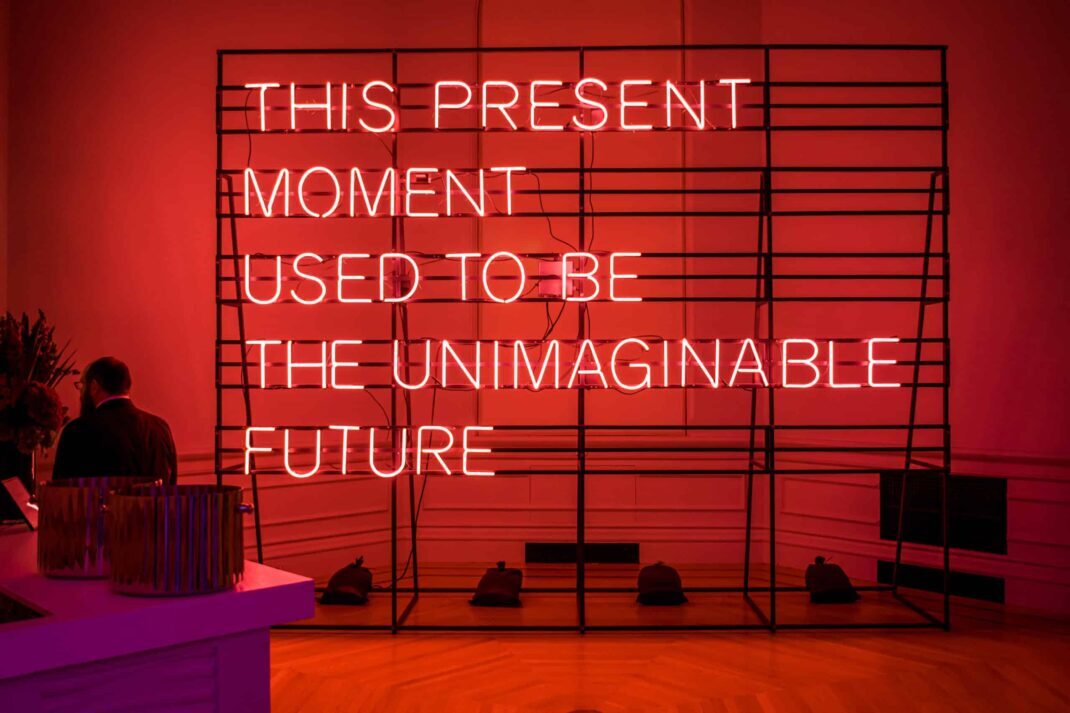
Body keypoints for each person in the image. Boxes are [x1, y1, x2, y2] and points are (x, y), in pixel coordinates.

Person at [52, 356, 177, 484]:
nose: (81, 393)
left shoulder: (77, 431)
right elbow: (171, 489)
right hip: (154, 498)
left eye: (82, 385)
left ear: (94, 387)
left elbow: (61, 491)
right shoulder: (160, 428)